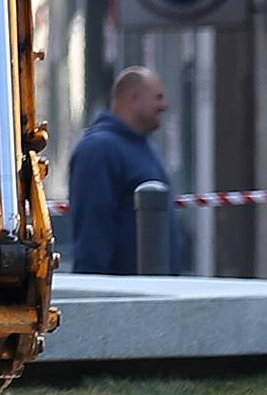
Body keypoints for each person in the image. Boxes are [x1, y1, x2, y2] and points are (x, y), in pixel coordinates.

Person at [65, 66, 183, 274]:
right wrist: (96, 295)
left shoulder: (144, 147)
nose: (165, 105)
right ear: (132, 98)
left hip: (152, 292)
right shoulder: (98, 151)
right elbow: (92, 231)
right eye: (158, 97)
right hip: (126, 296)